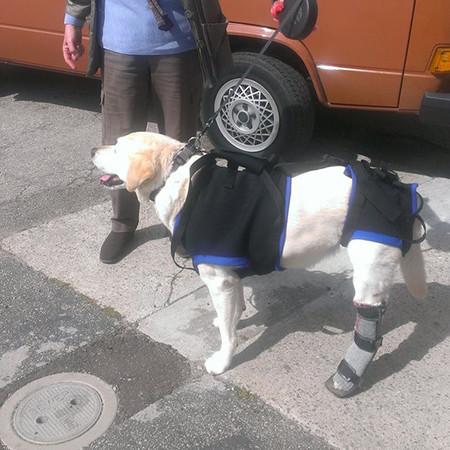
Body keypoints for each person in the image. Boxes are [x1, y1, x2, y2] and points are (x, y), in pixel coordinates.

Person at [62, 0, 202, 264]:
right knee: (119, 143)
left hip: (179, 44)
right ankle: (122, 224)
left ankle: (184, 225)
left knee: (180, 146)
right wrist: (73, 21)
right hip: (119, 45)